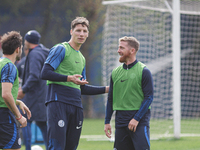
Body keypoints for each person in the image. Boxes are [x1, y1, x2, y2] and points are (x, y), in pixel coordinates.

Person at [41, 17, 109, 150]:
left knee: (71, 147)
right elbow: (45, 73)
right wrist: (68, 78)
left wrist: (106, 89)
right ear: (71, 31)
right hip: (58, 102)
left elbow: (82, 88)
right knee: (57, 146)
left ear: (88, 34)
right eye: (78, 30)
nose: (81, 34)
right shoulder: (61, 49)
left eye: (84, 31)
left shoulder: (82, 58)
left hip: (76, 105)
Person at [104, 36, 154, 150]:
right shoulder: (115, 73)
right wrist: (107, 121)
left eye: (122, 48)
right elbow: (111, 98)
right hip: (120, 120)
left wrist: (136, 118)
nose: (118, 51)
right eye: (118, 47)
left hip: (139, 120)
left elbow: (149, 98)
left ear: (132, 51)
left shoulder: (144, 71)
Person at [17, 30, 49, 150]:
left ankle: (28, 148)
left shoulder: (34, 54)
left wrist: (23, 90)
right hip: (42, 96)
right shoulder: (43, 52)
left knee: (25, 122)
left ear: (27, 42)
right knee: (43, 125)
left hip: (33, 97)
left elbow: (34, 76)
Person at [0, 31, 31, 150]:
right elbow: (6, 94)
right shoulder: (9, 66)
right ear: (18, 49)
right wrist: (19, 116)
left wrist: (18, 102)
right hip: (5, 115)